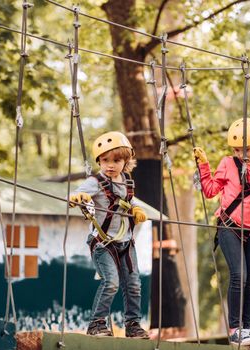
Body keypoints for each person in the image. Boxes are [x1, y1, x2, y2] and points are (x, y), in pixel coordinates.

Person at [193, 118, 250, 346]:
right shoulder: (228, 163)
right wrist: (204, 166)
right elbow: (210, 190)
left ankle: (248, 328)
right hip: (229, 226)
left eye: (246, 149)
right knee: (239, 275)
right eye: (237, 150)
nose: (241, 154)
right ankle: (235, 329)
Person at [69, 131, 149, 339]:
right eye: (105, 161)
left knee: (134, 285)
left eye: (116, 160)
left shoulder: (127, 182)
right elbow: (75, 195)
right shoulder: (95, 182)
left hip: (126, 242)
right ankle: (97, 324)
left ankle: (133, 325)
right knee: (111, 282)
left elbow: (129, 201)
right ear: (99, 161)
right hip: (103, 243)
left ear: (126, 161)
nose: (110, 165)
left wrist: (136, 210)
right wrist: (79, 197)